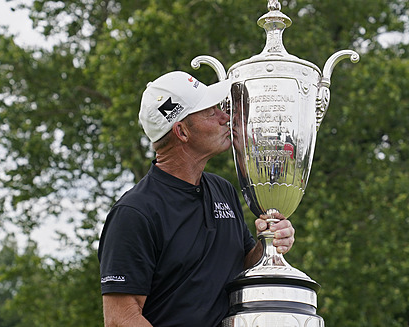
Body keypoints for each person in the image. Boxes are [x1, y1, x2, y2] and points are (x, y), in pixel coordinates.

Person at [98, 71, 295, 327]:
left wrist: (268, 242)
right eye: (211, 112)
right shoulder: (135, 212)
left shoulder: (222, 190)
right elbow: (120, 319)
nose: (225, 118)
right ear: (181, 131)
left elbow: (243, 266)